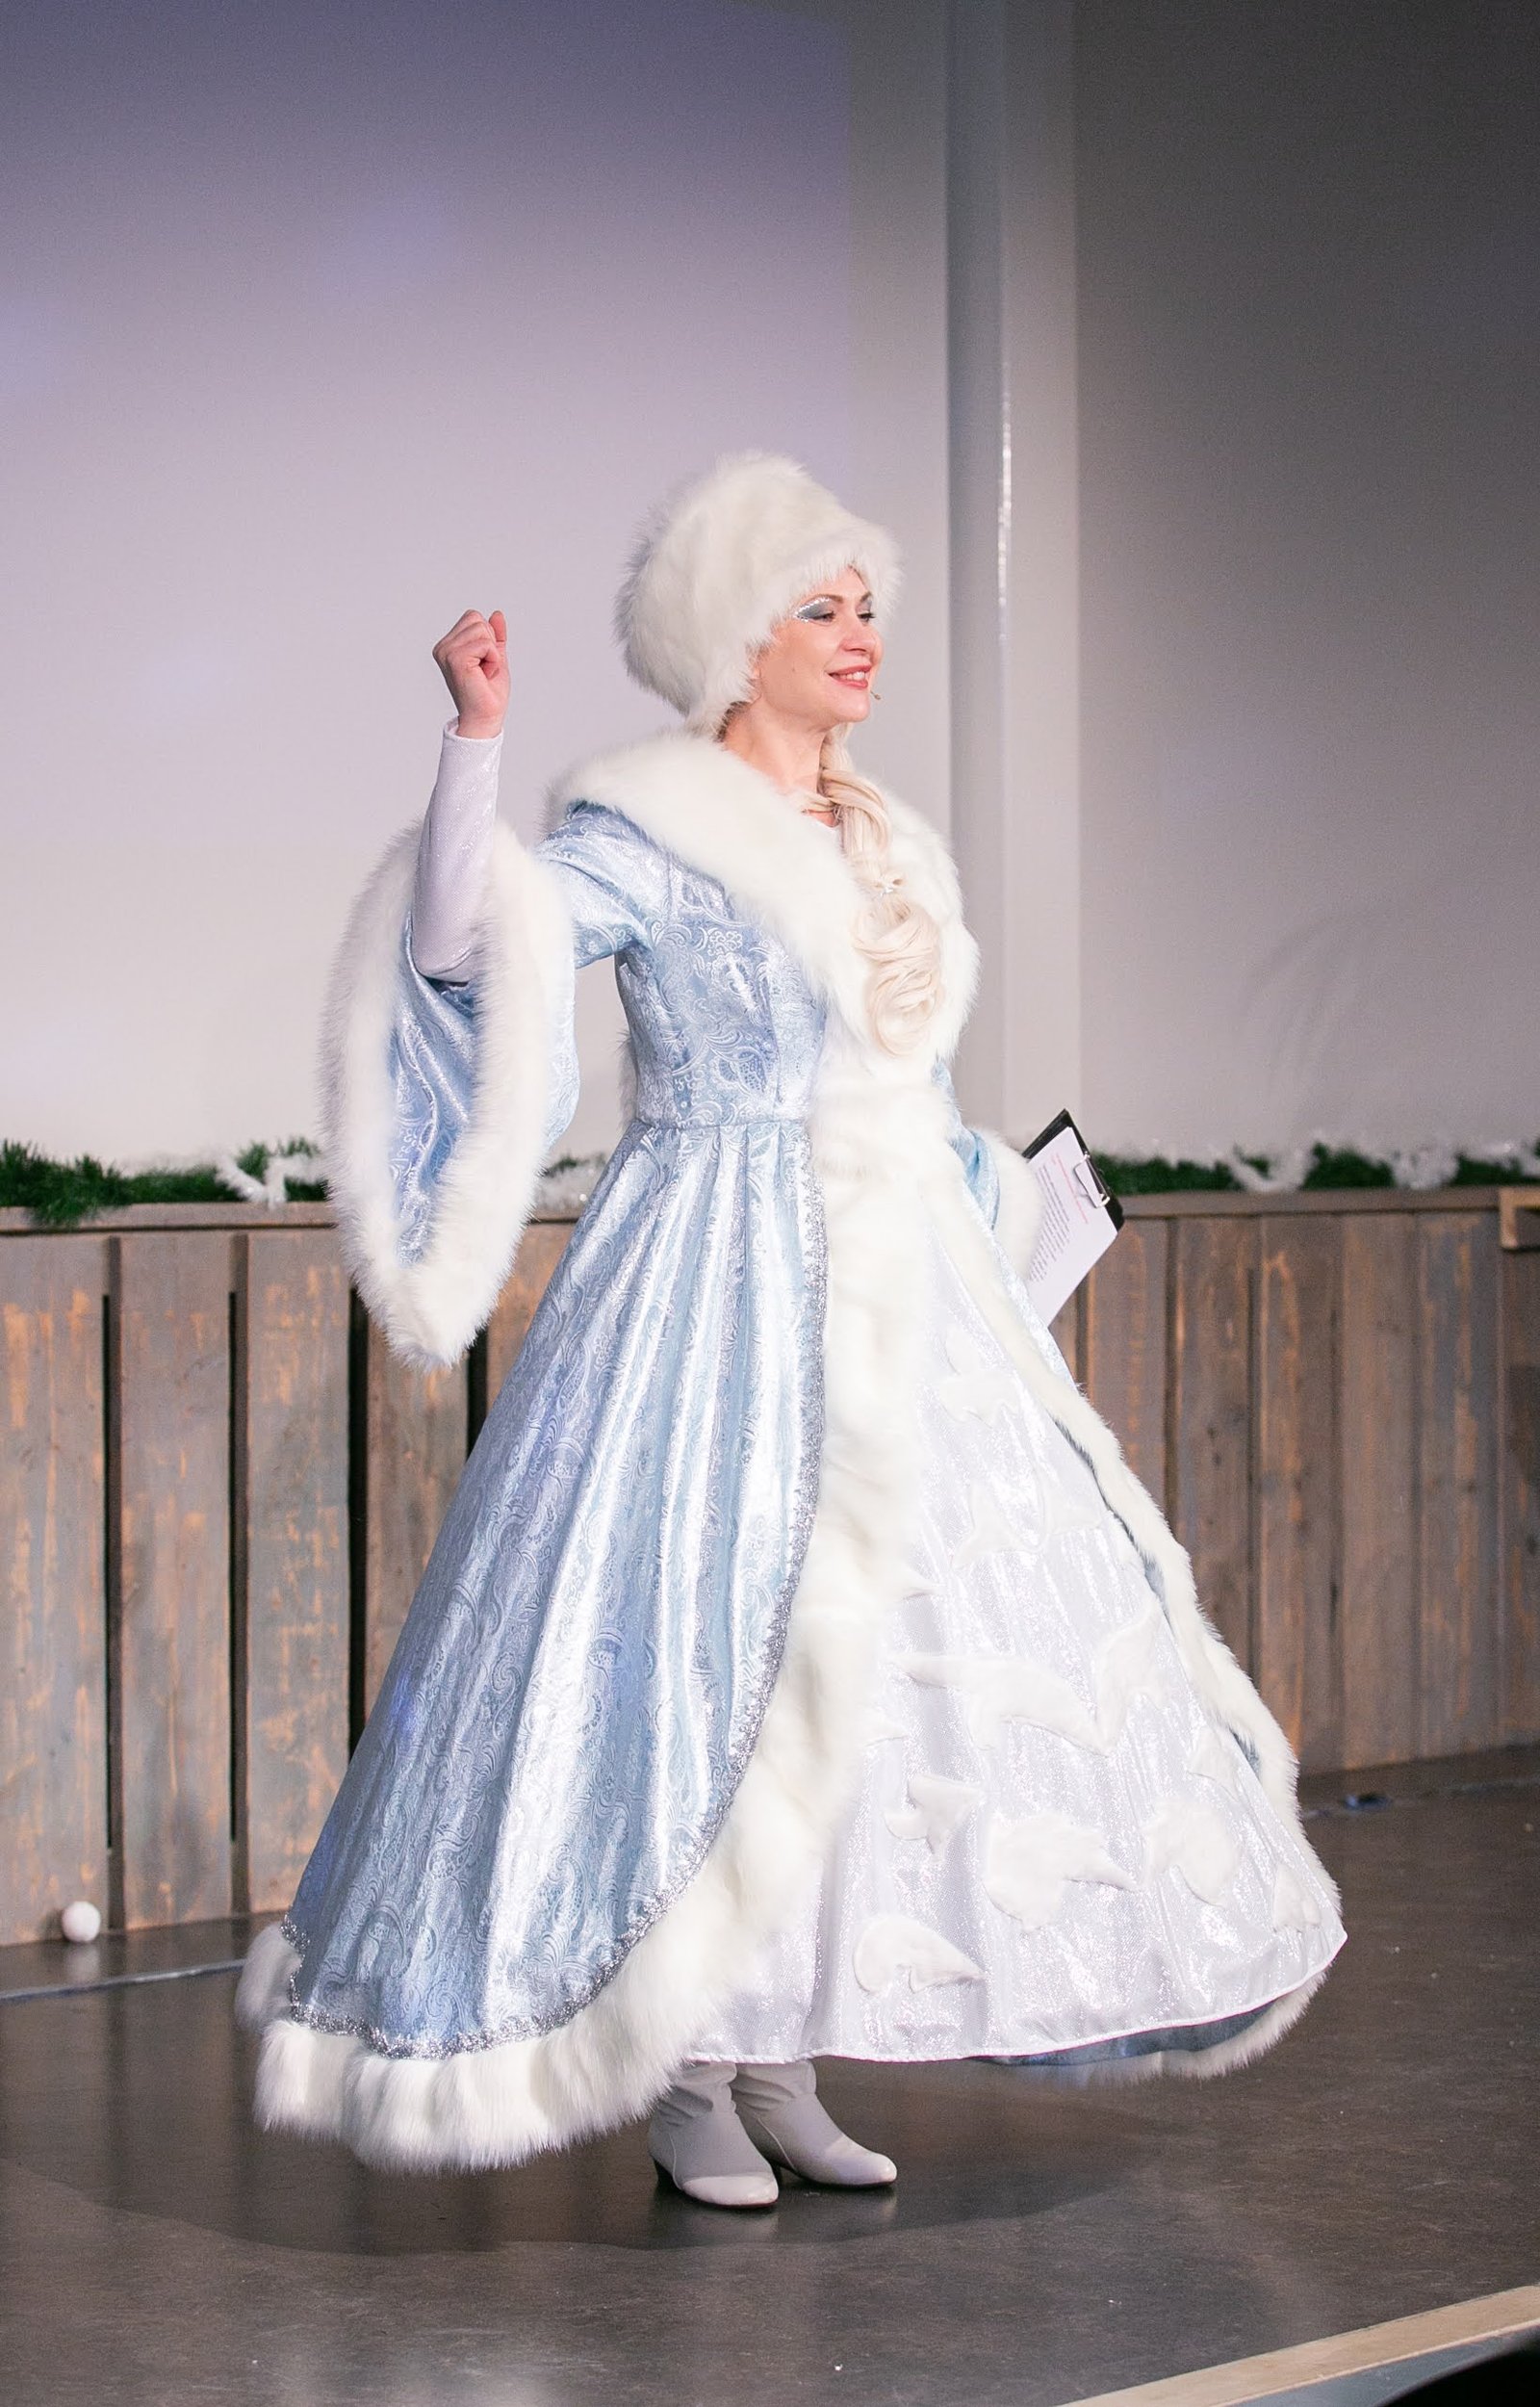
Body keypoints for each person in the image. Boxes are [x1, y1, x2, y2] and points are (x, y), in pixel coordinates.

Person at [237, 453, 1343, 2208]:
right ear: (733, 634)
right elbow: (468, 947)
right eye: (821, 607)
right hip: (714, 1274)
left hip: (903, 1279)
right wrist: (477, 741)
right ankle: (687, 2067)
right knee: (712, 1647)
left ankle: (779, 2057)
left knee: (876, 1665)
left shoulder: (888, 844)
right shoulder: (654, 831)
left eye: (868, 607)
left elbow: (910, 1087)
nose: (860, 635)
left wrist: (1010, 1214)